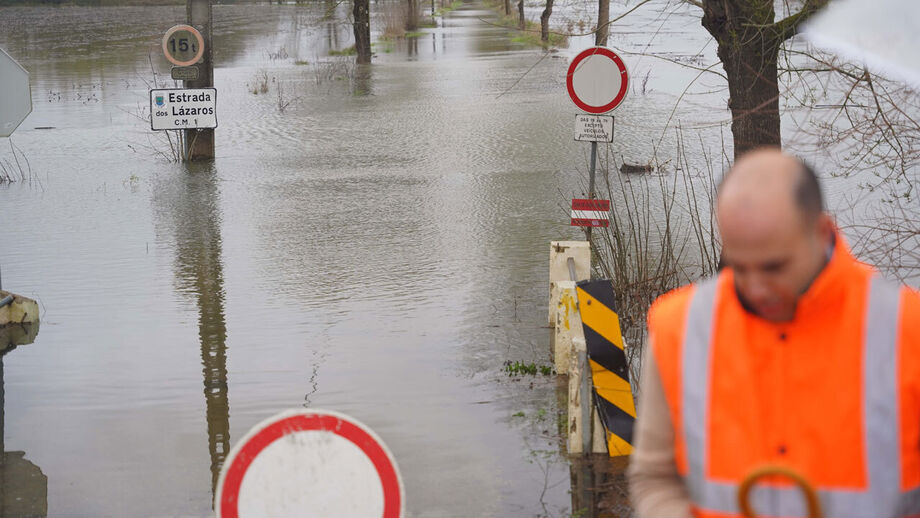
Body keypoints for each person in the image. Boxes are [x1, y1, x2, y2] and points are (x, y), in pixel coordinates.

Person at [627, 148, 920, 517]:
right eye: (740, 265)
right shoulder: (679, 328)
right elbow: (654, 478)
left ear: (821, 231)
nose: (757, 288)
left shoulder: (908, 331)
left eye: (774, 267)